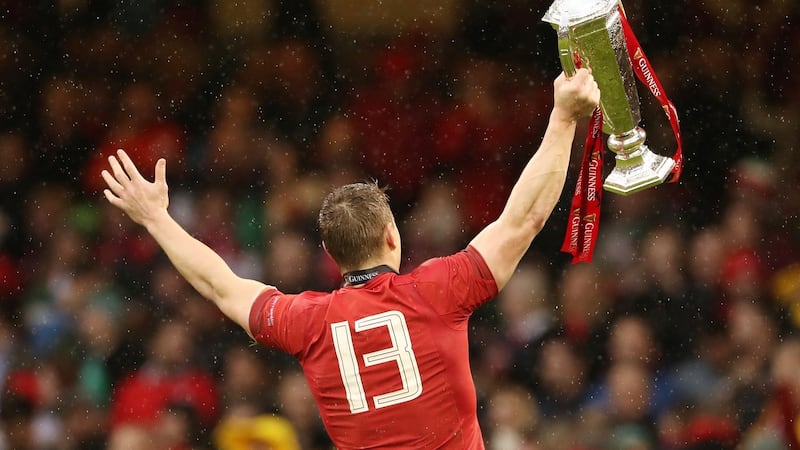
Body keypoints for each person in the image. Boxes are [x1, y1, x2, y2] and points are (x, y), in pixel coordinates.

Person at [100, 68, 599, 449]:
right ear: (391, 236)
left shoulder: (307, 322)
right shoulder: (437, 290)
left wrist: (156, 218)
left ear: (330, 254)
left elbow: (220, 285)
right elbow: (523, 219)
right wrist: (563, 117)